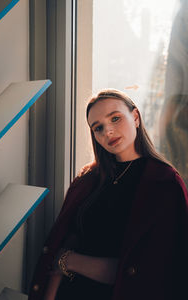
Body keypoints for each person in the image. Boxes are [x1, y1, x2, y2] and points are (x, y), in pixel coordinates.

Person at [28, 89, 188, 300]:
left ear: (136, 117)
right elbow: (66, 242)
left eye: (115, 118)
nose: (108, 132)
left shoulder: (164, 183)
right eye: (98, 128)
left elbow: (144, 269)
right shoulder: (88, 178)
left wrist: (70, 261)